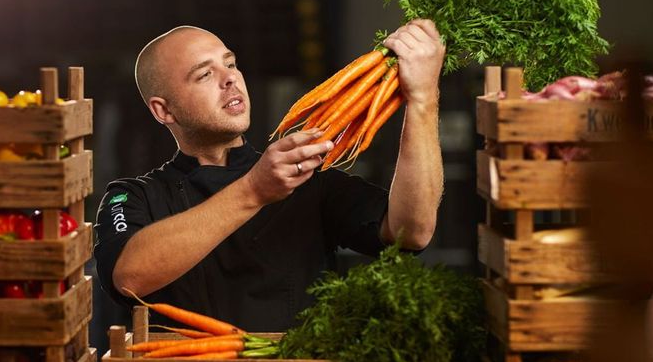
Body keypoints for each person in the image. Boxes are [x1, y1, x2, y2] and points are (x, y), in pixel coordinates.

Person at [94, 21, 445, 331]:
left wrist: (422, 99)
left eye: (230, 64)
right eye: (204, 74)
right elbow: (130, 276)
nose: (230, 78)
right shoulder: (133, 196)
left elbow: (412, 232)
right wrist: (254, 190)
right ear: (163, 109)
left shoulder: (309, 182)